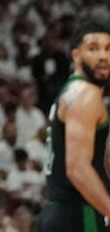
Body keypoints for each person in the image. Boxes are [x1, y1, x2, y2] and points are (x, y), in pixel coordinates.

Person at [37, 19, 110, 232]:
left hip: (60, 210)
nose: (103, 57)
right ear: (76, 55)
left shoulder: (71, 91)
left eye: (108, 49)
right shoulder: (85, 94)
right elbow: (78, 169)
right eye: (93, 49)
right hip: (79, 213)